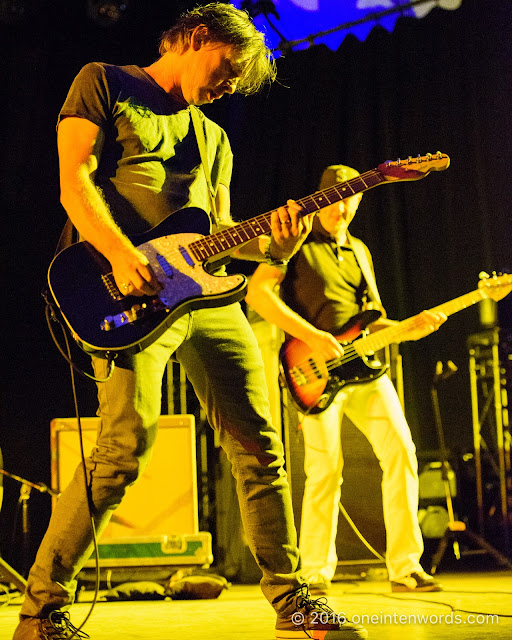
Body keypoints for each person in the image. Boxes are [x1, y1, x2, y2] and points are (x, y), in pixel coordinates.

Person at [12, 6, 368, 640]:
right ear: (198, 37)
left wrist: (278, 246)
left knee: (261, 446)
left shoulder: (215, 139)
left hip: (205, 300)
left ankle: (293, 602)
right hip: (119, 289)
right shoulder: (104, 81)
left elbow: (221, 237)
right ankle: (41, 608)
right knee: (123, 449)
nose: (231, 85)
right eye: (231, 68)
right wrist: (122, 255)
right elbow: (74, 181)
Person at [246, 164, 446, 596]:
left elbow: (370, 321)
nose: (343, 206)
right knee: (324, 470)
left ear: (359, 200)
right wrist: (311, 337)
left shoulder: (359, 251)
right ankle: (316, 570)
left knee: (402, 453)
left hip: (363, 369)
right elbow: (258, 293)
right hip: (311, 370)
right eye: (335, 198)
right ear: (321, 199)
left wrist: (407, 326)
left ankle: (406, 567)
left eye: (351, 198)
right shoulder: (296, 242)